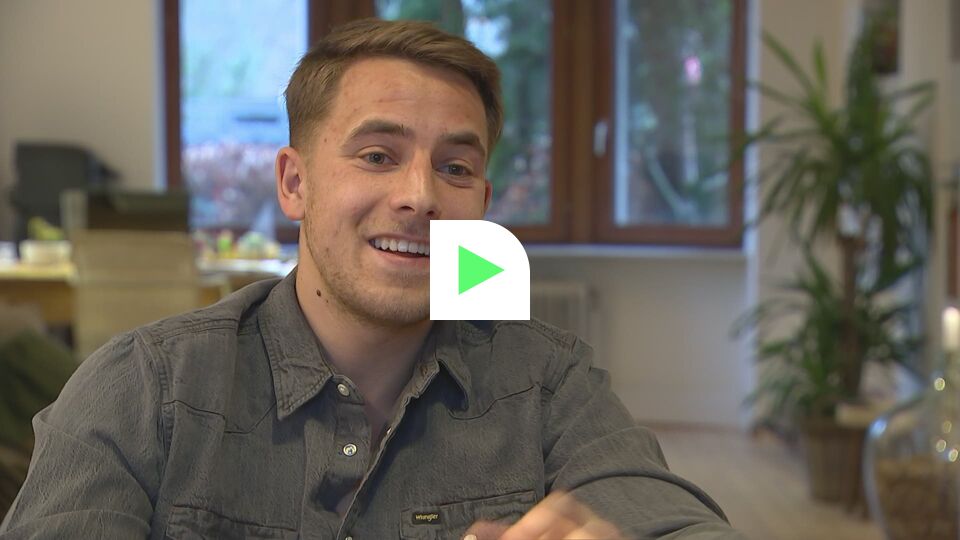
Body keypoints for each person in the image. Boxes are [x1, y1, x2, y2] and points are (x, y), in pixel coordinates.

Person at [0, 18, 743, 539]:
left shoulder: (549, 384)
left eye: (455, 167)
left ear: (481, 203)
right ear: (294, 183)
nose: (420, 196)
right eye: (377, 156)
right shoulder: (142, 390)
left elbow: (677, 523)